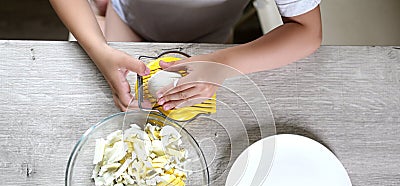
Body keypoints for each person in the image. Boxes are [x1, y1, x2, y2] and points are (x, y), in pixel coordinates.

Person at [50, 0, 322, 111]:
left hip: (210, 44)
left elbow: (306, 30)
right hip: (127, 24)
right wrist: (100, 50)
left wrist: (223, 63)